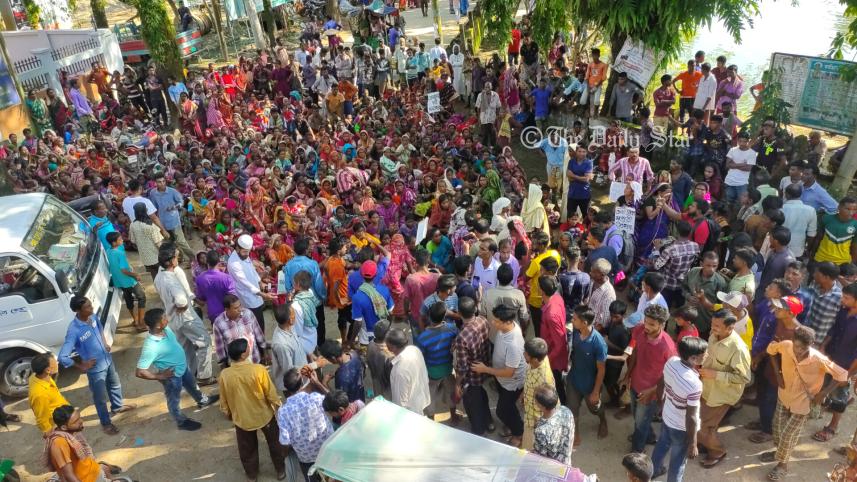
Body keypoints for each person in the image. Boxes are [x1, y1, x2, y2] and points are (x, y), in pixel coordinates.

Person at [760, 325, 848, 481]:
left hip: (804, 403)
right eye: (797, 346)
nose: (798, 351)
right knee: (778, 428)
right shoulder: (786, 345)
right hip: (784, 395)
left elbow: (842, 375)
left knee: (788, 434)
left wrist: (823, 393)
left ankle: (782, 465)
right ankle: (779, 453)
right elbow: (771, 350)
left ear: (811, 345)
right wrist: (778, 373)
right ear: (792, 341)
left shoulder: (818, 359)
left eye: (803, 348)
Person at [59, 295, 135, 435]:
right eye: (87, 307)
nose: (91, 308)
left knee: (115, 384)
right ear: (78, 311)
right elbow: (62, 357)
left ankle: (117, 407)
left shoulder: (92, 317)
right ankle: (106, 423)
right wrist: (82, 366)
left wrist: (105, 342)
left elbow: (100, 327)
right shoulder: (74, 330)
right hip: (95, 370)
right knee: (100, 398)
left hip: (107, 360)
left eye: (90, 304)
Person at [135, 308, 218, 431]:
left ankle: (202, 400)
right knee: (173, 399)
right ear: (158, 325)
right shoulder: (150, 347)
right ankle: (181, 421)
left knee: (192, 385)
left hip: (182, 367)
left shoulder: (165, 329)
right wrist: (160, 376)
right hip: (171, 378)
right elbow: (140, 371)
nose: (167, 319)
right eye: (164, 318)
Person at [219, 339, 285, 481]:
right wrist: (278, 406)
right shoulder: (258, 370)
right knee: (275, 443)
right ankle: (280, 470)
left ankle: (252, 474)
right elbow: (271, 393)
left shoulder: (225, 374)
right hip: (264, 415)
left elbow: (223, 399)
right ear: (243, 355)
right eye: (247, 348)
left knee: (247, 449)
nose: (250, 349)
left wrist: (227, 412)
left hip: (242, 419)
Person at [154, 244, 215, 385]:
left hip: (172, 318)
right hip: (186, 318)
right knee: (204, 342)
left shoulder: (159, 276)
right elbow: (181, 301)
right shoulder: (171, 278)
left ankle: (189, 376)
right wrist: (185, 305)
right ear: (170, 261)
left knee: (185, 347)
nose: (178, 258)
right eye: (176, 256)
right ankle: (204, 376)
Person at [696, 310, 751, 468]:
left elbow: (744, 378)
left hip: (721, 394)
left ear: (730, 328)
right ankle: (703, 442)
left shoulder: (739, 349)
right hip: (706, 387)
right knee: (700, 422)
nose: (713, 328)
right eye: (712, 324)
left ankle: (717, 451)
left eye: (717, 326)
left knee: (702, 426)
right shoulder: (714, 336)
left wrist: (716, 374)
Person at [650, 336, 708, 482]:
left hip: (667, 417)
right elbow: (692, 417)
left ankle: (653, 471)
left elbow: (660, 383)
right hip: (681, 428)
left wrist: (662, 405)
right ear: (693, 358)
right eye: (704, 354)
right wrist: (693, 443)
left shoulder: (672, 362)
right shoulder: (694, 383)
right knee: (677, 462)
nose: (707, 355)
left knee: (662, 444)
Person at [473, 304, 527, 447]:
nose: (493, 322)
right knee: (508, 407)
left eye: (496, 321)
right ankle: (511, 424)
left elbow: (510, 372)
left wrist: (486, 369)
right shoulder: (505, 328)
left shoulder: (514, 344)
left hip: (512, 381)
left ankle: (519, 432)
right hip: (501, 378)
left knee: (502, 410)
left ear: (507, 322)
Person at [625, 304, 677, 453]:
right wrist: (627, 374)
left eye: (652, 324)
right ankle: (649, 436)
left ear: (662, 324)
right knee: (638, 417)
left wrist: (652, 391)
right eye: (646, 321)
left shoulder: (667, 346)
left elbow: (671, 374)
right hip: (635, 383)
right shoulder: (639, 330)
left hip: (650, 392)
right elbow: (635, 352)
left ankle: (637, 451)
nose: (646, 326)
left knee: (641, 422)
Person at [812, 282, 857, 443]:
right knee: (824, 385)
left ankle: (833, 426)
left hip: (847, 364)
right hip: (831, 356)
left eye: (846, 298)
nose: (842, 300)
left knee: (839, 395)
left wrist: (849, 374)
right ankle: (823, 404)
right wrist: (824, 345)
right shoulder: (843, 311)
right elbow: (834, 330)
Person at [277, 368, 332, 482]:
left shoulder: (283, 411)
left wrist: (285, 454)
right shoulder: (315, 398)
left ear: (286, 388)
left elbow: (285, 442)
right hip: (327, 450)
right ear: (302, 382)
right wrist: (317, 383)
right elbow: (333, 400)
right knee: (332, 477)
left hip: (306, 458)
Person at [567, 305, 608, 446]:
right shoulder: (576, 331)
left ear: (584, 323)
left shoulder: (599, 343)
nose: (572, 321)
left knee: (595, 409)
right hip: (573, 379)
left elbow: (601, 370)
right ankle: (575, 435)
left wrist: (596, 392)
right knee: (572, 409)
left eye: (574, 319)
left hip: (590, 385)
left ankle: (603, 420)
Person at [45, 405, 119, 482]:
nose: (81, 421)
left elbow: (85, 450)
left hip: (93, 471)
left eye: (79, 418)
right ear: (64, 427)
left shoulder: (70, 432)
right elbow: (69, 475)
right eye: (75, 421)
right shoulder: (59, 443)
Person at [415, 301, 460, 422]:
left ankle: (431, 419)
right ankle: (454, 417)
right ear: (444, 316)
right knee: (450, 392)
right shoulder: (452, 329)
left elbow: (420, 357)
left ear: (429, 317)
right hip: (448, 368)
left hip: (432, 372)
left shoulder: (423, 337)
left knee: (430, 396)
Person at [452, 296, 492, 435]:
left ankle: (478, 429)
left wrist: (457, 384)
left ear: (459, 313)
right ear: (475, 309)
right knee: (481, 394)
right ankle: (489, 422)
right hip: (485, 366)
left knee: (472, 403)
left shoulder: (462, 337)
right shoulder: (483, 320)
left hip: (472, 376)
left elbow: (462, 367)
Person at [227, 235, 273, 334]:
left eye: (248, 252)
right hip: (247, 296)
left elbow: (252, 270)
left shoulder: (244, 255)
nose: (247, 254)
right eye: (244, 252)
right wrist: (263, 294)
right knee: (256, 323)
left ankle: (261, 341)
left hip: (255, 292)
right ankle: (259, 345)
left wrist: (260, 282)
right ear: (237, 248)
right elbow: (245, 283)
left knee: (259, 321)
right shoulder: (234, 263)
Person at [653, 220, 700, 308]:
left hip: (668, 285)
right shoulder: (695, 246)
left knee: (664, 309)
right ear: (689, 232)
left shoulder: (669, 250)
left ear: (677, 232)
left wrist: (657, 249)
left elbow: (656, 266)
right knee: (680, 311)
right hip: (682, 285)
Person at [105, 231, 146, 331]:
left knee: (128, 300)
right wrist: (135, 275)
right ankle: (141, 323)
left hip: (119, 281)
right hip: (128, 281)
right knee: (142, 297)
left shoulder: (108, 251)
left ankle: (135, 319)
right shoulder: (120, 253)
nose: (122, 240)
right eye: (120, 239)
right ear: (114, 243)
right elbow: (123, 270)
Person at [149, 172, 195, 262]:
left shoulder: (172, 191)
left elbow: (181, 202)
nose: (162, 183)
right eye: (159, 182)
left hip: (174, 221)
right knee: (171, 242)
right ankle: (179, 258)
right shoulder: (153, 193)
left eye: (163, 181)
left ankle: (193, 258)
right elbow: (154, 208)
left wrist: (174, 207)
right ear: (155, 183)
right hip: (162, 222)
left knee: (181, 241)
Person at [213, 294, 268, 367]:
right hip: (235, 366)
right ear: (227, 309)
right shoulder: (219, 323)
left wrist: (265, 353)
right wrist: (223, 367)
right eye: (236, 308)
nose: (240, 309)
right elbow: (219, 347)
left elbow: (258, 334)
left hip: (254, 360)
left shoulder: (248, 314)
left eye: (240, 306)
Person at [539, 276, 569, 405]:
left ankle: (563, 405)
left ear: (542, 291)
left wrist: (547, 360)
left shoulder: (551, 314)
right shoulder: (557, 297)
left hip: (553, 357)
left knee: (556, 383)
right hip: (552, 351)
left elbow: (559, 344)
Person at [386, 328, 432, 414]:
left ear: (392, 347)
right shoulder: (414, 349)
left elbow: (400, 402)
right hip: (420, 399)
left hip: (410, 412)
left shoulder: (399, 370)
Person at [520, 338, 555, 450]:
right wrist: (523, 395)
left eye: (526, 354)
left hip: (535, 417)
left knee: (529, 449)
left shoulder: (543, 380)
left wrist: (537, 423)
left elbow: (544, 406)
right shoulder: (542, 359)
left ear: (535, 359)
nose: (524, 354)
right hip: (530, 407)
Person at [351, 260, 395, 347]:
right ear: (376, 275)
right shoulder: (385, 290)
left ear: (361, 275)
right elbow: (390, 313)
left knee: (368, 359)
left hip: (366, 337)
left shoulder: (357, 296)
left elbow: (358, 323)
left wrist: (352, 340)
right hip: (382, 334)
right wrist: (387, 327)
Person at [532, 384, 575, 465]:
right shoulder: (566, 410)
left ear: (541, 406)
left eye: (535, 401)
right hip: (566, 460)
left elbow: (540, 456)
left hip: (553, 467)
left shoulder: (541, 431)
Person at [28, 353, 69, 434]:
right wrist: (50, 433)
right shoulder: (39, 394)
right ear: (47, 370)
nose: (57, 363)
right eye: (54, 363)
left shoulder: (35, 376)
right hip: (60, 424)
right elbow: (41, 418)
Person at [195, 250, 238, 322]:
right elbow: (233, 297)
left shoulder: (199, 279)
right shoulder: (227, 278)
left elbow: (201, 297)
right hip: (228, 312)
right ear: (219, 261)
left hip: (213, 314)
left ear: (207, 262)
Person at [814, 197, 857, 265]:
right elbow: (818, 238)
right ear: (839, 207)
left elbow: (855, 247)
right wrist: (812, 254)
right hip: (821, 259)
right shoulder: (827, 218)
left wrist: (852, 264)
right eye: (847, 209)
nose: (851, 212)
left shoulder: (855, 225)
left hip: (843, 262)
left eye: (854, 209)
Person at [781, 183, 817, 259]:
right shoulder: (811, 210)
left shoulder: (781, 209)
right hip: (798, 251)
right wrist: (807, 249)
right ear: (801, 195)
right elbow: (811, 235)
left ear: (786, 194)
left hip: (779, 248)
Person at [723, 131, 756, 204]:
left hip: (742, 183)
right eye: (740, 141)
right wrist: (742, 164)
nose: (742, 144)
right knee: (728, 203)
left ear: (748, 141)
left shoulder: (752, 153)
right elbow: (727, 165)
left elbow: (748, 168)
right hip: (729, 181)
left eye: (744, 141)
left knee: (741, 204)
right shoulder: (732, 150)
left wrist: (734, 164)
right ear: (737, 140)